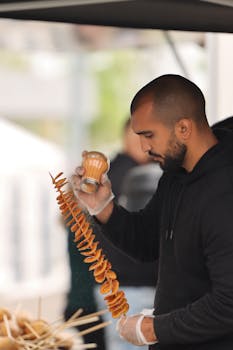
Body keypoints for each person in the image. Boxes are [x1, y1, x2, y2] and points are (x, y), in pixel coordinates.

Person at [71, 74, 233, 350]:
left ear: (183, 128)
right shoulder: (174, 177)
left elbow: (229, 302)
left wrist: (156, 328)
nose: (144, 148)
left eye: (149, 135)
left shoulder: (224, 191)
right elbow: (146, 242)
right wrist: (102, 206)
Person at [93, 118, 162, 350]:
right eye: (143, 135)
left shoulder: (112, 173)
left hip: (117, 287)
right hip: (132, 287)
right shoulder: (136, 176)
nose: (148, 144)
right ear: (128, 137)